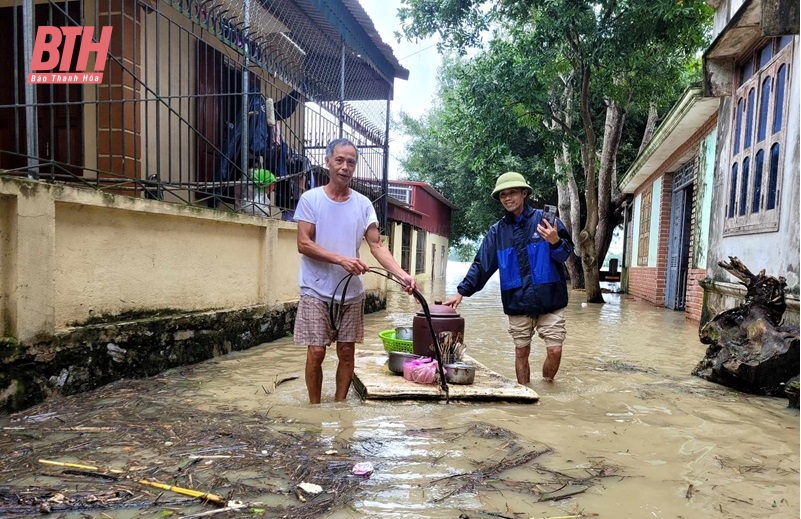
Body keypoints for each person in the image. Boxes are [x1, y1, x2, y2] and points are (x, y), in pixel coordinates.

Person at [294, 138, 417, 404]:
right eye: (339, 160)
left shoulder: (363, 204)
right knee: (316, 352)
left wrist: (403, 275)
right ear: (328, 162)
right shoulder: (310, 199)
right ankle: (315, 409)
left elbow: (377, 245)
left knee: (347, 353)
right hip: (315, 288)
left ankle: (339, 408)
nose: (345, 166)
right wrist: (341, 260)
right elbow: (304, 243)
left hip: (351, 293)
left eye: (351, 162)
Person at [443, 172, 574, 384]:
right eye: (502, 194)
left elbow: (565, 254)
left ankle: (548, 384)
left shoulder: (547, 221)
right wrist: (461, 292)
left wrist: (555, 241)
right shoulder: (497, 232)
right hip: (517, 300)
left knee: (555, 350)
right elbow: (482, 264)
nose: (507, 198)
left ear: (524, 193)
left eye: (512, 192)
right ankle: (525, 392)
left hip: (550, 299)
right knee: (521, 352)